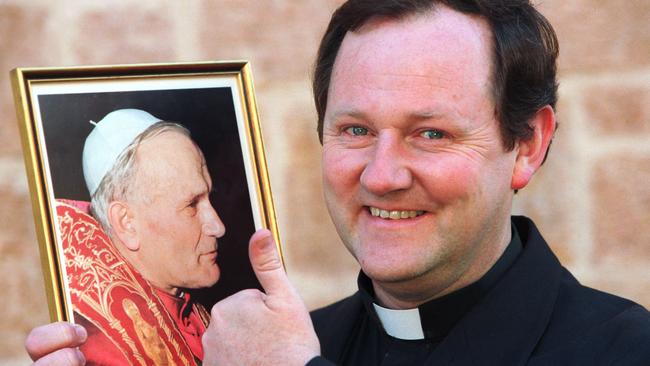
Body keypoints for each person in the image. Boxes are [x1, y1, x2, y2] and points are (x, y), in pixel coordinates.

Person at [26, 1, 650, 365]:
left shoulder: (624, 351)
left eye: (430, 134)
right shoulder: (296, 343)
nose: (381, 175)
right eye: (354, 130)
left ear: (528, 146)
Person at [43, 108, 226, 365]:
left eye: (209, 197)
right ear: (127, 223)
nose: (218, 227)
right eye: (192, 205)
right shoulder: (96, 347)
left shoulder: (192, 307)